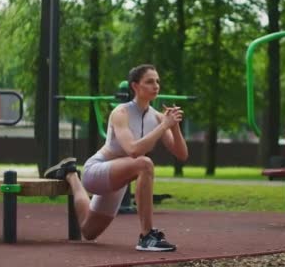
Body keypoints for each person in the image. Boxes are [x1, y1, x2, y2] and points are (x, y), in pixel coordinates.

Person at [44, 64, 188, 252]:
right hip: (97, 170)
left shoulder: (159, 118)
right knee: (144, 164)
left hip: (118, 178)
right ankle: (147, 236)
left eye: (158, 81)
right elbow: (133, 151)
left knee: (88, 232)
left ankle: (71, 174)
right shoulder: (121, 113)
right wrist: (164, 127)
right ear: (135, 86)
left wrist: (174, 127)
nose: (156, 86)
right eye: (150, 82)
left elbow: (182, 154)